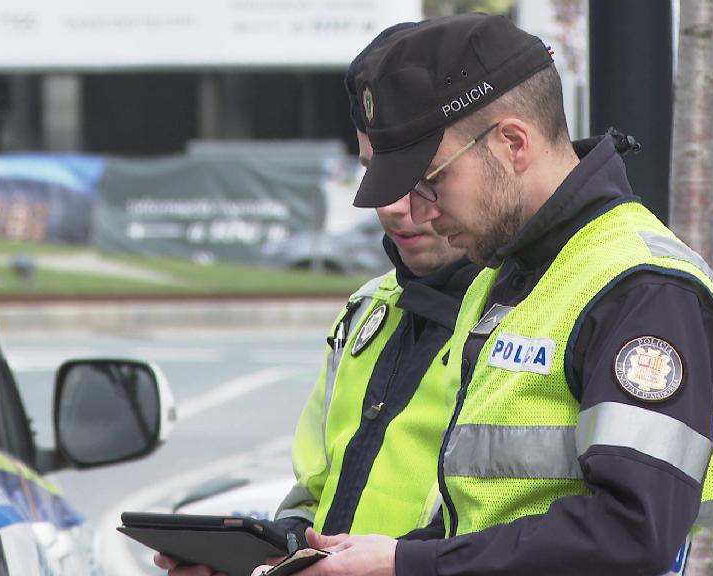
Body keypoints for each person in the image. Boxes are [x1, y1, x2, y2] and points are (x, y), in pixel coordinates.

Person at [254, 13, 713, 576]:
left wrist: (406, 563)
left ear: (513, 143)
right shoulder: (509, 273)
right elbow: (477, 516)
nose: (417, 209)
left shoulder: (642, 287)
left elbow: (633, 533)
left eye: (430, 178)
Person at [155, 23, 480, 576]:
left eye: (419, 176)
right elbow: (316, 499)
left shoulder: (530, 310)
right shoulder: (366, 312)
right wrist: (261, 556)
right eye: (372, 171)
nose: (391, 205)